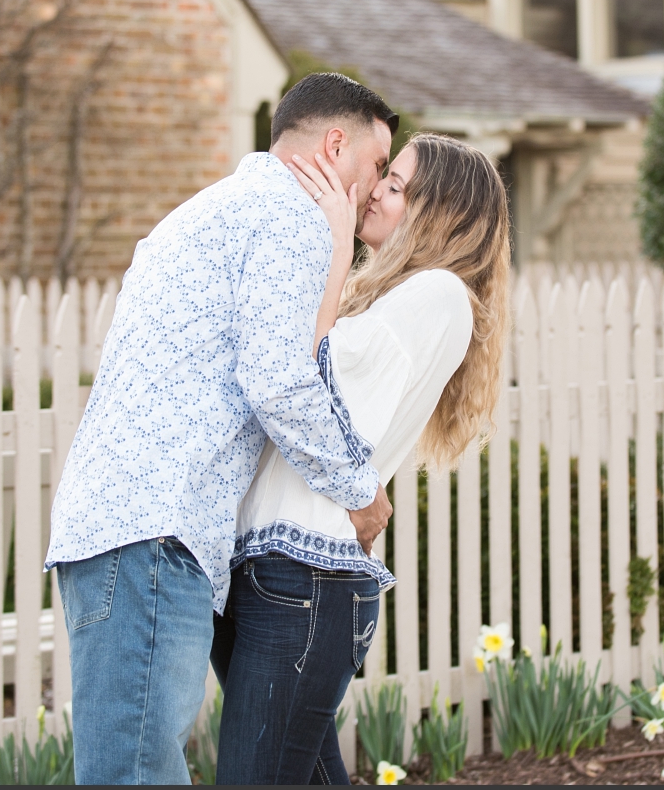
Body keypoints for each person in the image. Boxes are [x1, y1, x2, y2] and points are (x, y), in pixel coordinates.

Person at [45, 73, 402, 785]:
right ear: (336, 145)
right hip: (152, 533)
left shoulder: (225, 207)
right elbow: (277, 377)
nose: (376, 187)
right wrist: (362, 491)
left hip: (128, 529)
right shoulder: (289, 215)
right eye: (379, 167)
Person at [212, 132, 512, 785]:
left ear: (443, 214)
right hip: (272, 572)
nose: (375, 189)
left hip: (304, 581)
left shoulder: (439, 293)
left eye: (398, 185)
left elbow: (315, 381)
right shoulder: (391, 294)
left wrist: (334, 238)